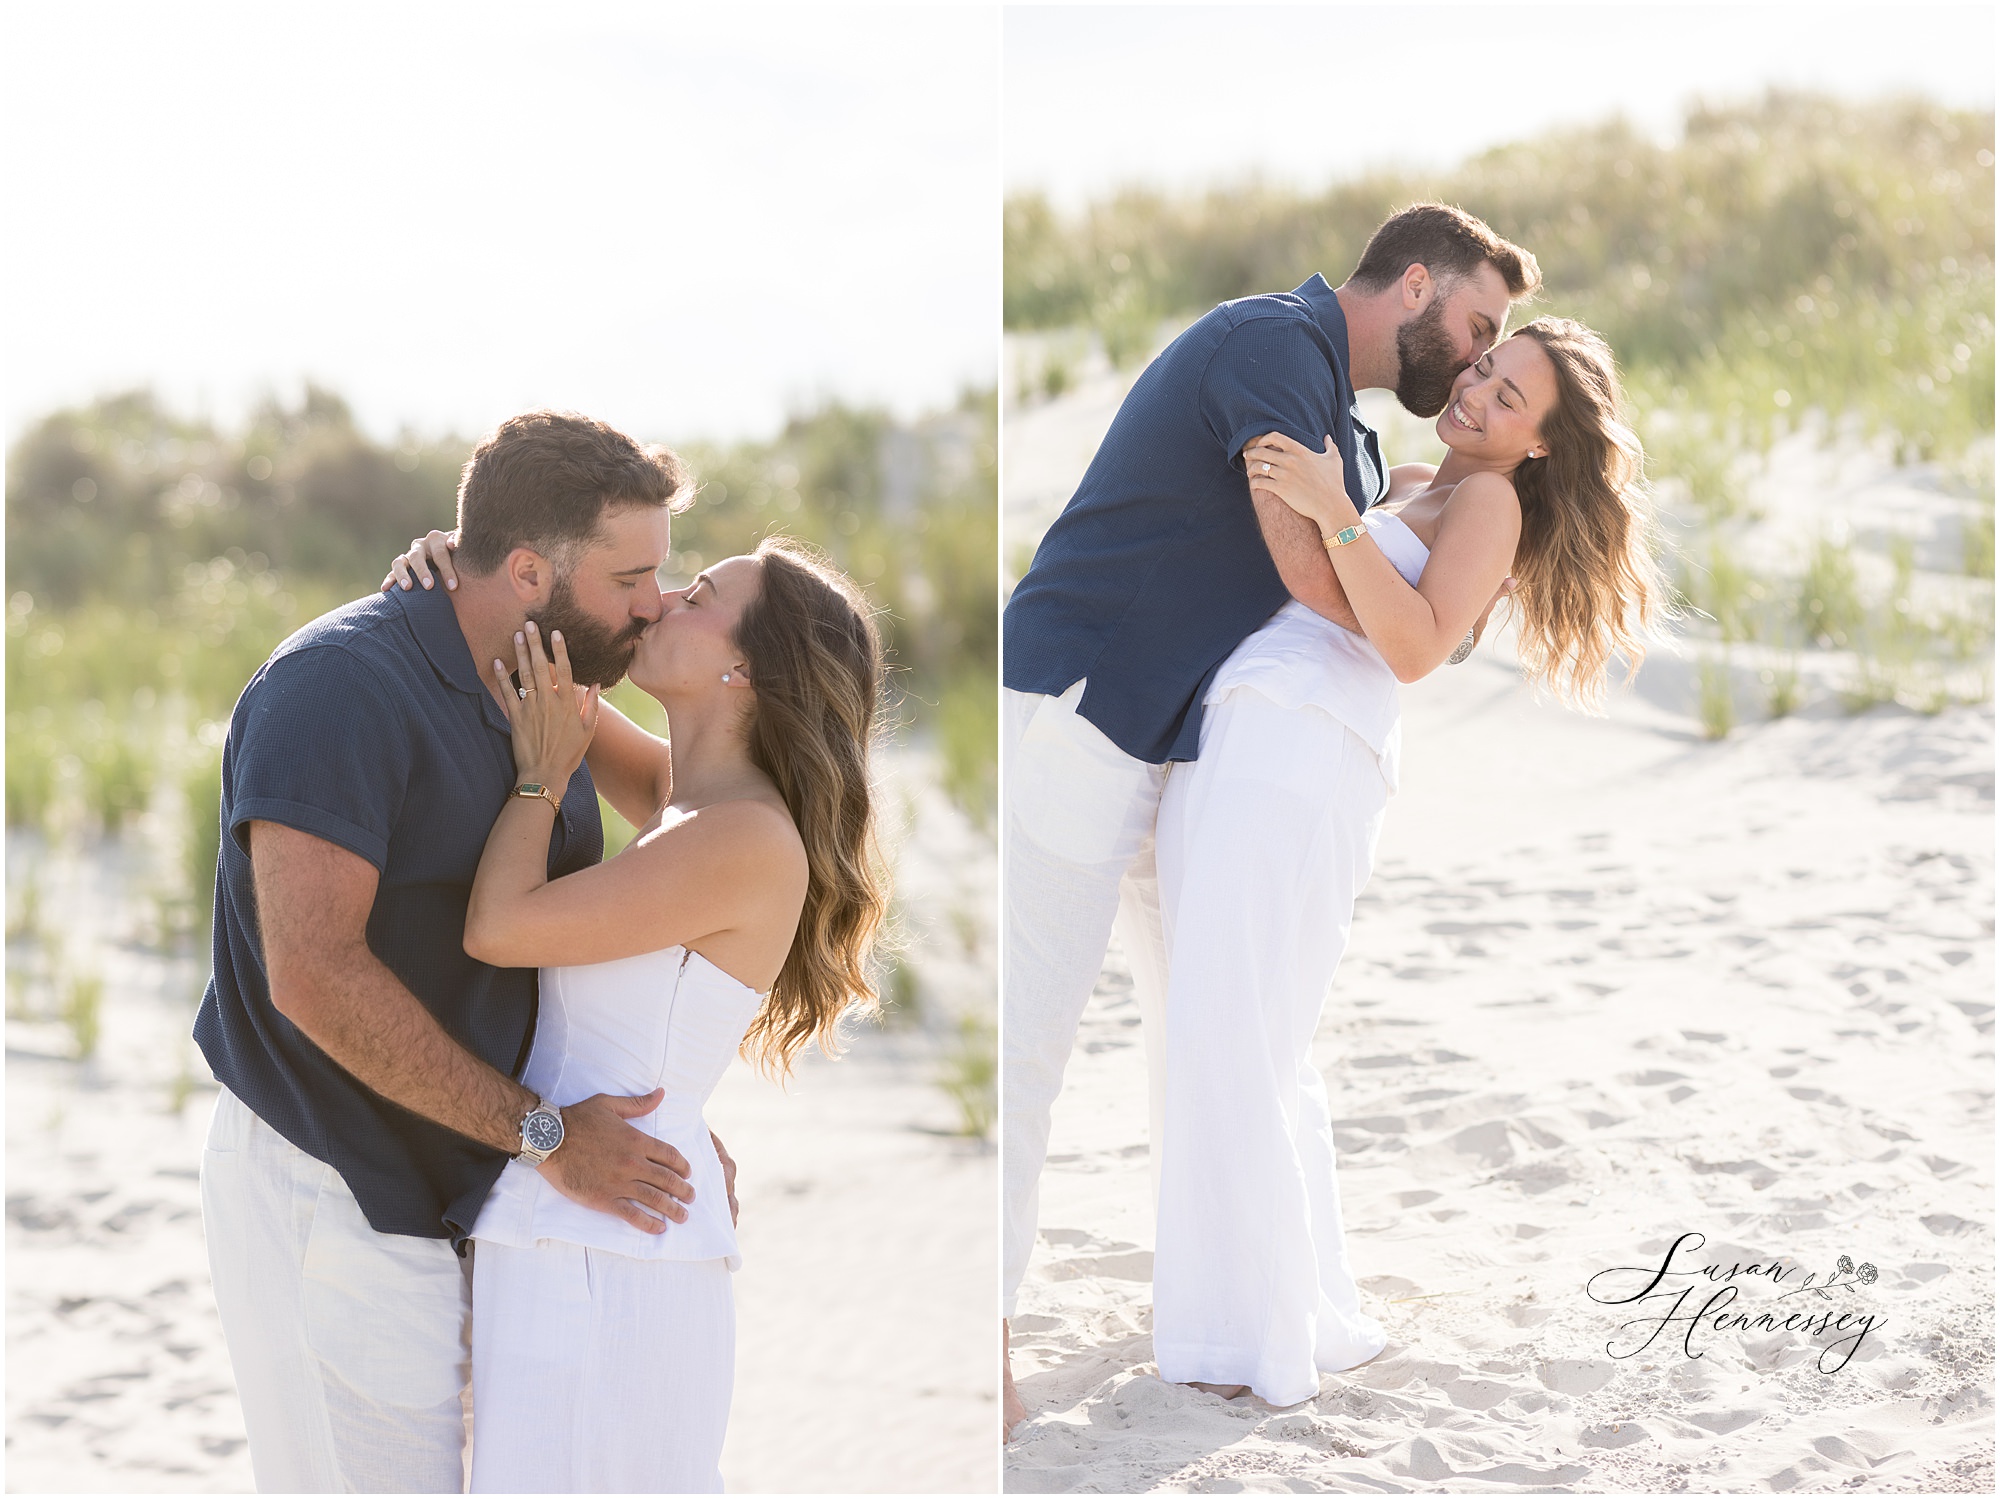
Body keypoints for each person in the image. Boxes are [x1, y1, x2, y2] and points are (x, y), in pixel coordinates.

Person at [1000, 203, 1541, 1432]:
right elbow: (1304, 575)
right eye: (1472, 329)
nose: (1469, 361)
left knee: (1216, 1029)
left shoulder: (1347, 433)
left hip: (1180, 739)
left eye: (1498, 358)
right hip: (1090, 701)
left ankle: (1235, 1305)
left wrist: (1407, 607)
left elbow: (1357, 583)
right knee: (1030, 1035)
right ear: (1411, 284)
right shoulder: (1272, 345)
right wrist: (1401, 608)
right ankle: (982, 1346)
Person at [195, 411, 721, 1492]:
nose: (654, 602)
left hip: (492, 1188)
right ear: (528, 569)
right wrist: (543, 1132)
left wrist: (653, 1112)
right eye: (633, 576)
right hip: (338, 1185)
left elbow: (700, 811)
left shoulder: (548, 678)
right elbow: (313, 973)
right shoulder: (335, 689)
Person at [1150, 317, 1669, 1405]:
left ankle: (1254, 1332)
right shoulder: (1430, 474)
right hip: (1254, 731)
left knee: (1234, 1023)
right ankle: (1260, 1305)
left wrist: (1337, 512)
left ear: (1537, 443)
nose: (1475, 391)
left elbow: (1416, 645)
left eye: (1508, 396)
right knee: (1235, 1023)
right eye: (1483, 367)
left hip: (1301, 746)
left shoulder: (1490, 501)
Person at [385, 528, 888, 1490]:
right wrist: (464, 562)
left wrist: (540, 780)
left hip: (613, 1250)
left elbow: (498, 925)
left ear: (747, 664)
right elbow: (523, 671)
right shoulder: (682, 796)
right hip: (574, 1218)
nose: (660, 603)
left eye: (696, 596)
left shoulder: (740, 836)